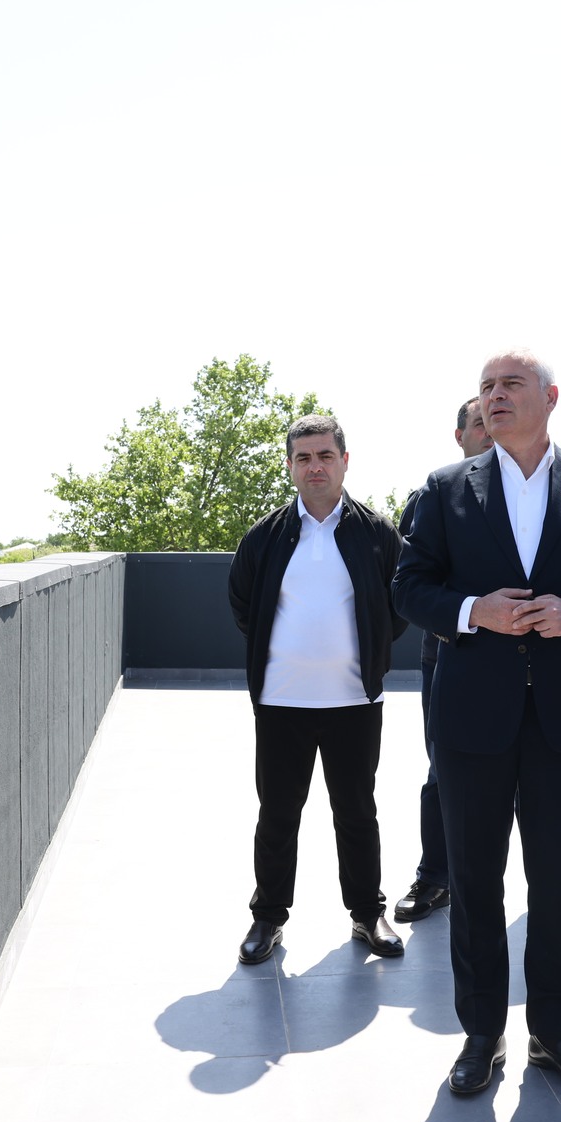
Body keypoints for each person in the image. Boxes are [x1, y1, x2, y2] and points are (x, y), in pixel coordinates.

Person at [393, 349, 561, 1098]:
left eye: (511, 384)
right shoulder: (445, 489)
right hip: (471, 718)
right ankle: (482, 1034)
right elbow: (408, 586)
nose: (495, 396)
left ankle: (554, 1033)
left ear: (551, 396)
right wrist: (473, 612)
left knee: (558, 882)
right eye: (486, 387)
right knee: (475, 881)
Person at [228, 414, 410, 966]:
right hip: (282, 700)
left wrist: (366, 652)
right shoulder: (264, 536)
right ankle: (268, 917)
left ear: (344, 461)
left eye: (325, 456)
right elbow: (243, 604)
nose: (315, 467)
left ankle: (367, 914)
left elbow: (399, 604)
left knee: (356, 812)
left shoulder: (377, 533)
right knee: (278, 813)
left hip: (355, 701)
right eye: (303, 457)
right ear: (289, 465)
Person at [392, 396, 491, 925]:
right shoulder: (433, 496)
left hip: (531, 663)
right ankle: (436, 877)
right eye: (479, 423)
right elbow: (411, 585)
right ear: (460, 437)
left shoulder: (547, 491)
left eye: (496, 419)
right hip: (449, 658)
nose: (490, 430)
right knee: (444, 772)